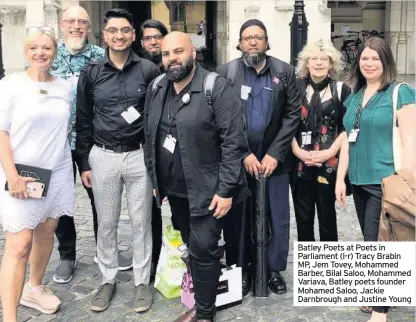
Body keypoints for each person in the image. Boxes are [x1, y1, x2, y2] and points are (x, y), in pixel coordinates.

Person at [144, 31, 249, 322]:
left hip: (208, 189)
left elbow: (234, 142)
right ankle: (200, 294)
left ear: (192, 51)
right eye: (166, 54)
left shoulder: (216, 87)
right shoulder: (157, 87)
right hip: (174, 190)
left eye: (178, 52)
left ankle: (204, 314)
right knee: (193, 245)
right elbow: (149, 135)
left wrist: (226, 190)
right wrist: (156, 181)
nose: (172, 59)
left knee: (204, 247)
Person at [76, 8, 160, 313]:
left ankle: (141, 283)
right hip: (104, 156)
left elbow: (156, 119)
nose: (120, 36)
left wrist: (154, 165)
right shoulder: (92, 72)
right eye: (113, 30)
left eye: (125, 30)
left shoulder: (149, 71)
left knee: (141, 223)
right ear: (105, 35)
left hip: (138, 156)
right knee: (107, 223)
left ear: (133, 34)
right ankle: (108, 279)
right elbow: (83, 119)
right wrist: (85, 163)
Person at [217, 19, 301, 295]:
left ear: (267, 42)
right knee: (239, 218)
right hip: (240, 161)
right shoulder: (226, 73)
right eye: (247, 37)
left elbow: (292, 115)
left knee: (277, 216)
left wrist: (275, 153)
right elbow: (224, 118)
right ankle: (241, 269)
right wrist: (244, 153)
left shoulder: (285, 72)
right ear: (239, 43)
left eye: (258, 37)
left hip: (275, 163)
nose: (253, 42)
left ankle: (273, 269)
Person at [49, 4, 132, 284]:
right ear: (62, 25)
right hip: (55, 143)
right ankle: (67, 255)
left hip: (92, 142)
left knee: (101, 199)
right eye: (70, 21)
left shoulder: (100, 56)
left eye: (81, 22)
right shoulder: (48, 55)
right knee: (61, 201)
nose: (76, 26)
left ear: (89, 26)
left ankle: (104, 250)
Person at [335, 37, 415, 322]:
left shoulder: (400, 92)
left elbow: (410, 139)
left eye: (375, 59)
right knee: (374, 240)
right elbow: (347, 138)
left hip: (386, 181)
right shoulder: (354, 95)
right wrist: (340, 179)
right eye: (364, 59)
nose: (369, 64)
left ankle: (380, 311)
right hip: (358, 180)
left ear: (386, 63)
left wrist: (406, 182)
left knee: (378, 244)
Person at [0, 27, 75, 320]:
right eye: (34, 48)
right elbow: (1, 133)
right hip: (21, 174)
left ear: (55, 51)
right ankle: (9, 316)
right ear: (26, 52)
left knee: (46, 232)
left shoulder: (65, 87)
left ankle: (34, 288)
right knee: (19, 245)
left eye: (46, 47)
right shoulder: (10, 85)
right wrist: (12, 175)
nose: (40, 53)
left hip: (55, 172)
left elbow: (65, 130)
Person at [291, 40, 350, 242]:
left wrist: (330, 152)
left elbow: (346, 129)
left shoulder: (342, 90)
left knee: (327, 219)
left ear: (331, 64)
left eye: (323, 59)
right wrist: (298, 152)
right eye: (313, 59)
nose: (318, 63)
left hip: (328, 165)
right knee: (303, 219)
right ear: (306, 63)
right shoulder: (295, 90)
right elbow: (286, 124)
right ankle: (308, 271)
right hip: (300, 164)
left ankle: (327, 270)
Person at [139, 18, 180, 281]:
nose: (153, 42)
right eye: (148, 38)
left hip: (174, 153)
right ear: (141, 42)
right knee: (149, 211)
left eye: (158, 37)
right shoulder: (141, 70)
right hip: (147, 150)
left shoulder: (176, 68)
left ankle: (178, 257)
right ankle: (153, 261)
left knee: (179, 208)